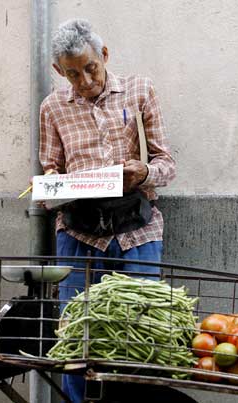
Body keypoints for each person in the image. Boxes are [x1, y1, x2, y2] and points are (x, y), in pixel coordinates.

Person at [39, 18, 176, 403]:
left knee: (141, 332)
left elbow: (167, 165)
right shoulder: (52, 108)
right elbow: (50, 170)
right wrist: (52, 185)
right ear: (58, 71)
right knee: (76, 338)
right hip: (79, 232)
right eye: (71, 74)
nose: (83, 80)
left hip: (136, 228)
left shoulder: (139, 90)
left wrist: (144, 171)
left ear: (104, 55)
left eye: (90, 68)